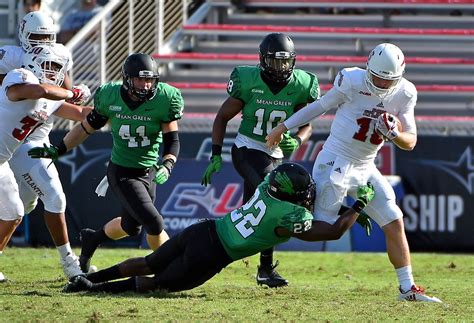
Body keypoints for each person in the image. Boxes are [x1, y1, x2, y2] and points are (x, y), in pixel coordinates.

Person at [266, 43, 442, 303]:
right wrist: (284, 126)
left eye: (387, 79)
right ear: (368, 69)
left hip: (365, 166)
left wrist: (393, 134)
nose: (381, 83)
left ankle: (408, 289)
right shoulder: (352, 79)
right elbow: (321, 105)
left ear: (399, 75)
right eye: (377, 77)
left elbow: (411, 141)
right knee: (323, 228)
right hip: (334, 161)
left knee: (394, 219)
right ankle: (270, 226)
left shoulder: (405, 92)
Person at [63, 163, 375, 294]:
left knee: (149, 261)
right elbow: (333, 231)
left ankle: (86, 279)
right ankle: (96, 290)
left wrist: (348, 210)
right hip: (213, 253)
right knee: (157, 284)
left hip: (206, 229)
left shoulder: (268, 187)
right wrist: (358, 206)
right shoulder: (288, 214)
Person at [28, 53, 184, 275]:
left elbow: (172, 139)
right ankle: (173, 268)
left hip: (148, 170)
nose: (146, 84)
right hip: (122, 171)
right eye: (140, 79)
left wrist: (167, 164)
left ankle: (92, 238)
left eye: (149, 79)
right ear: (127, 79)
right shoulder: (110, 96)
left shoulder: (166, 98)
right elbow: (85, 128)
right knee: (154, 223)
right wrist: (59, 148)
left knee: (131, 227)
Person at [201, 33, 319, 288]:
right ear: (263, 60)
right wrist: (215, 154)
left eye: (285, 62)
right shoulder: (248, 80)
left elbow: (307, 126)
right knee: (272, 199)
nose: (281, 68)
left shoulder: (301, 84)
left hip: (274, 154)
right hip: (247, 147)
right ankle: (262, 267)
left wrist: (298, 140)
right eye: (275, 62)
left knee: (252, 212)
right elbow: (222, 117)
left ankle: (210, 239)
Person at [0, 12, 91, 280]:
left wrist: (106, 108)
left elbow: (75, 110)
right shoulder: (17, 75)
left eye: (56, 66)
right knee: (31, 204)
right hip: (17, 149)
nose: (53, 71)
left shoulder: (49, 89)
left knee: (17, 210)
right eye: (47, 65)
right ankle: (69, 264)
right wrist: (73, 93)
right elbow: (40, 91)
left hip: (5, 158)